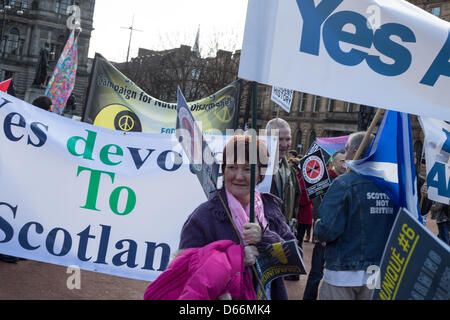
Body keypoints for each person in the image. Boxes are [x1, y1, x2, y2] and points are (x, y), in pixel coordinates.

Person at [179, 135, 298, 300]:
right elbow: (184, 268)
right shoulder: (204, 216)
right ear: (223, 169)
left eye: (248, 169)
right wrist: (235, 259)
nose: (239, 176)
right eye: (232, 167)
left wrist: (266, 236)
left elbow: (295, 259)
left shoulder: (270, 209)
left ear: (260, 174)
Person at [315, 132, 396, 300]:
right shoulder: (391, 186)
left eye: (346, 150)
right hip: (376, 272)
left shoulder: (344, 183)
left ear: (355, 151)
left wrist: (318, 227)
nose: (345, 155)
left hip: (342, 272)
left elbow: (327, 230)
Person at [303, 149, 346, 300]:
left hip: (341, 239)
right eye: (341, 161)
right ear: (333, 163)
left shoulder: (350, 182)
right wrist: (320, 234)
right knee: (316, 273)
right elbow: (317, 208)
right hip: (323, 237)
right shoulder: (324, 181)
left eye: (346, 161)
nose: (344, 164)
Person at [265, 118, 301, 229]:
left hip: (283, 236)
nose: (284, 144)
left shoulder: (290, 171)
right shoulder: (256, 168)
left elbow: (295, 205)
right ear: (267, 139)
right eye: (279, 139)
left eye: (288, 139)